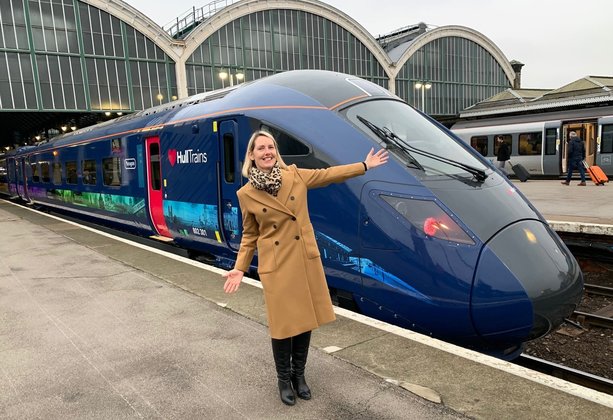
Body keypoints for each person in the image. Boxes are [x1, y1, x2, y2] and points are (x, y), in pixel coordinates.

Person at [222, 130, 388, 406]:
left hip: (302, 257)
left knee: (304, 321)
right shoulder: (246, 194)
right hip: (276, 264)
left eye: (271, 147)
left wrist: (363, 166)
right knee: (283, 324)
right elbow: (250, 234)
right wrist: (239, 267)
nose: (267, 152)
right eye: (261, 148)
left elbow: (328, 174)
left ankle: (299, 376)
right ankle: (283, 379)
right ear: (251, 155)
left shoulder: (295, 176)